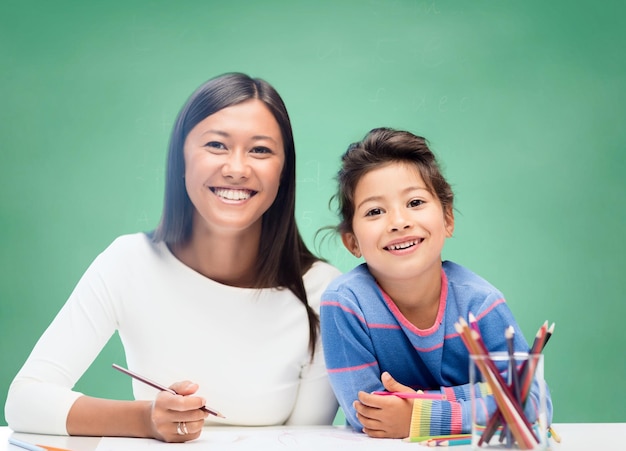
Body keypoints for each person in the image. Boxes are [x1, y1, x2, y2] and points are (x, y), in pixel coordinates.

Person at [5, 72, 341, 442]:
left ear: (283, 171)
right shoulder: (128, 262)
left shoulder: (323, 291)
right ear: (181, 158)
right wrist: (145, 420)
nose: (236, 168)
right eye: (216, 145)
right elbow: (24, 401)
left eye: (260, 150)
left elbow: (310, 442)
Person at [320, 127, 553, 439]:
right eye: (375, 211)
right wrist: (481, 395)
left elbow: (532, 404)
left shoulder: (481, 303)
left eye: (415, 202)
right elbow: (369, 413)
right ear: (352, 242)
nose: (399, 222)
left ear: (447, 219)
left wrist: (422, 413)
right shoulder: (346, 302)